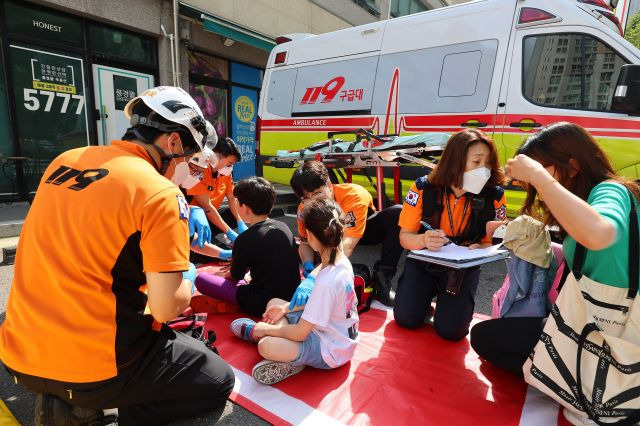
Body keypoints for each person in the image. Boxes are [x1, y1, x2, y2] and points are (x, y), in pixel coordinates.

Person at [0, 86, 235, 426]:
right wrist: (188, 275)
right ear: (172, 142)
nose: (191, 169)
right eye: (191, 158)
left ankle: (77, 400)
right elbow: (167, 307)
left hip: (18, 358)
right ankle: (106, 409)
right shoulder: (159, 193)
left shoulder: (63, 161)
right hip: (96, 368)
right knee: (218, 379)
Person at [470, 122, 640, 376]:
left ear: (572, 167)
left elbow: (599, 234)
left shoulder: (610, 190)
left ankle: (582, 383)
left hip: (614, 332)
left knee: (486, 339)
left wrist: (540, 179)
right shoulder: (583, 199)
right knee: (490, 335)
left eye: (539, 173)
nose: (534, 188)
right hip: (595, 320)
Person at [229, 198, 358, 385]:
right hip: (334, 335)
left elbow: (300, 333)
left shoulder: (327, 281)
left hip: (330, 351)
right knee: (275, 303)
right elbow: (318, 303)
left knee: (266, 346)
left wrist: (266, 329)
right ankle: (274, 340)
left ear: (311, 236)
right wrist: (286, 309)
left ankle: (292, 359)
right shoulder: (339, 261)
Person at [393, 129, 507, 341]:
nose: (484, 170)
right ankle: (422, 299)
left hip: (462, 269)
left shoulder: (495, 196)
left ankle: (447, 307)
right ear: (455, 162)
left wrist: (480, 249)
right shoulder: (423, 187)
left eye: (488, 162)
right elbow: (405, 237)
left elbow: (495, 243)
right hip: (424, 261)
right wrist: (423, 240)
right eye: (476, 162)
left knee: (451, 331)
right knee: (406, 319)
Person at [289, 161, 403, 307]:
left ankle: (383, 276)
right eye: (306, 197)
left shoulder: (353, 196)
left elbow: (346, 247)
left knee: (398, 214)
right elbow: (305, 242)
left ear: (329, 185)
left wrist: (315, 275)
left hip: (361, 231)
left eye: (317, 193)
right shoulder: (303, 209)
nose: (313, 201)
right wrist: (307, 263)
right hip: (330, 235)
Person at [192, 177, 301, 316]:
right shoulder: (283, 227)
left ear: (246, 208)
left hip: (262, 303)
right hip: (290, 299)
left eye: (237, 202)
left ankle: (234, 303)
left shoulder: (245, 239)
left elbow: (235, 276)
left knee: (202, 280)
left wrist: (222, 275)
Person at [188, 136, 244, 246]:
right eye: (229, 163)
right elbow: (207, 207)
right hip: (195, 218)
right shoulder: (199, 169)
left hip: (213, 214)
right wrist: (229, 231)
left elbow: (232, 198)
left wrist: (240, 221)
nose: (230, 167)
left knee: (237, 210)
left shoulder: (225, 173)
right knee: (222, 254)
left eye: (232, 165)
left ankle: (214, 237)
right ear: (215, 156)